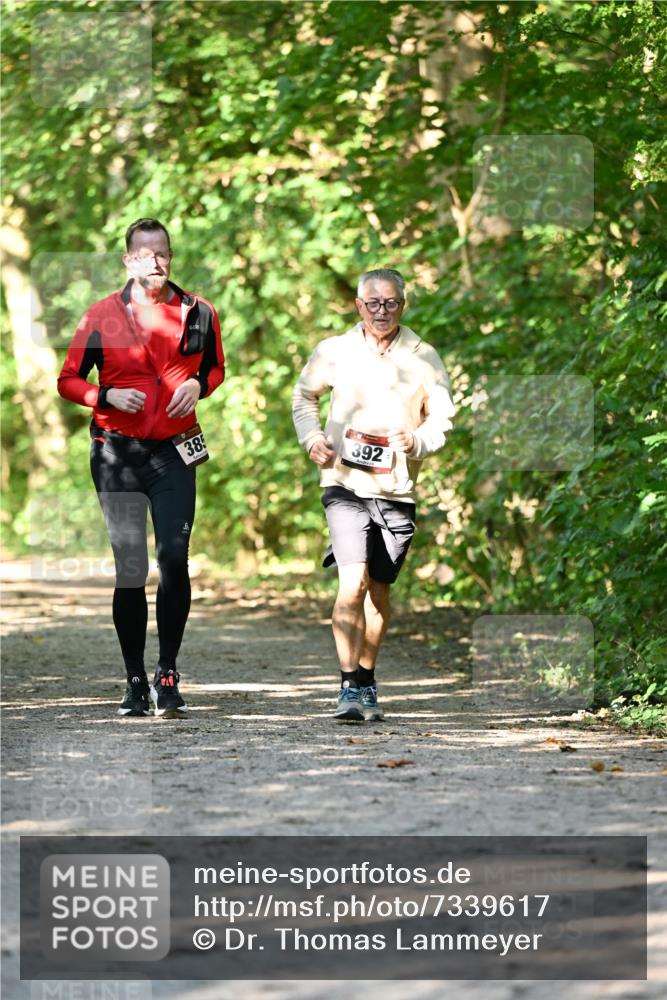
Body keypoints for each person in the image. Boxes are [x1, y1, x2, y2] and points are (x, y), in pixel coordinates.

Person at [57, 218, 224, 718]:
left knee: (174, 557)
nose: (156, 262)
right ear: (128, 259)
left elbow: (215, 367)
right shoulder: (102, 315)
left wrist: (202, 386)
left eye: (163, 253)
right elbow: (68, 380)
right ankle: (133, 680)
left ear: (171, 256)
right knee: (130, 568)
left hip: (175, 451)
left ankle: (167, 672)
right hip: (117, 452)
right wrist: (104, 394)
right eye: (145, 254)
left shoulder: (199, 311)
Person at [292, 268, 455, 721]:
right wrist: (311, 439)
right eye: (372, 303)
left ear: (403, 305)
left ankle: (367, 676)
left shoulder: (424, 356)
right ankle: (349, 686)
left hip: (397, 489)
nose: (381, 312)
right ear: (359, 306)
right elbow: (303, 397)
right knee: (353, 582)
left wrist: (418, 441)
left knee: (378, 594)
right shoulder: (335, 351)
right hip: (343, 484)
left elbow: (442, 417)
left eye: (391, 303)